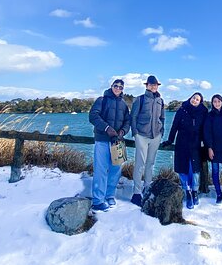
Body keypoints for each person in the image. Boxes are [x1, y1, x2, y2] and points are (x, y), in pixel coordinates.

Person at [88, 79, 131, 211]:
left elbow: (127, 121)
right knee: (101, 170)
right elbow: (93, 116)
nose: (118, 88)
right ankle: (98, 201)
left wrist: (123, 131)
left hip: (117, 142)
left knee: (115, 170)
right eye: (116, 86)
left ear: (123, 89)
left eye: (120, 87)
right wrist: (107, 128)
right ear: (111, 86)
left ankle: (110, 195)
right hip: (102, 140)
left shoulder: (124, 104)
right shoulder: (102, 100)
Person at [160, 92, 208, 209]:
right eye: (193, 98)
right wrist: (170, 140)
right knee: (183, 169)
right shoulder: (182, 110)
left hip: (196, 144)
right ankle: (187, 191)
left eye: (197, 99)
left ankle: (195, 191)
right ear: (190, 98)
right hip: (182, 142)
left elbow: (205, 128)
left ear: (200, 102)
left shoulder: (203, 112)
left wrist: (206, 142)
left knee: (195, 170)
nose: (194, 100)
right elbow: (174, 126)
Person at [130, 75, 165, 206]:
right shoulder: (140, 99)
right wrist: (135, 133)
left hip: (156, 136)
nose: (153, 86)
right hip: (142, 136)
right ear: (147, 86)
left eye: (155, 85)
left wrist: (161, 132)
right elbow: (132, 117)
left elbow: (162, 118)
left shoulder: (160, 100)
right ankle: (136, 193)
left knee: (150, 163)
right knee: (140, 164)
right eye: (151, 84)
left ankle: (147, 187)